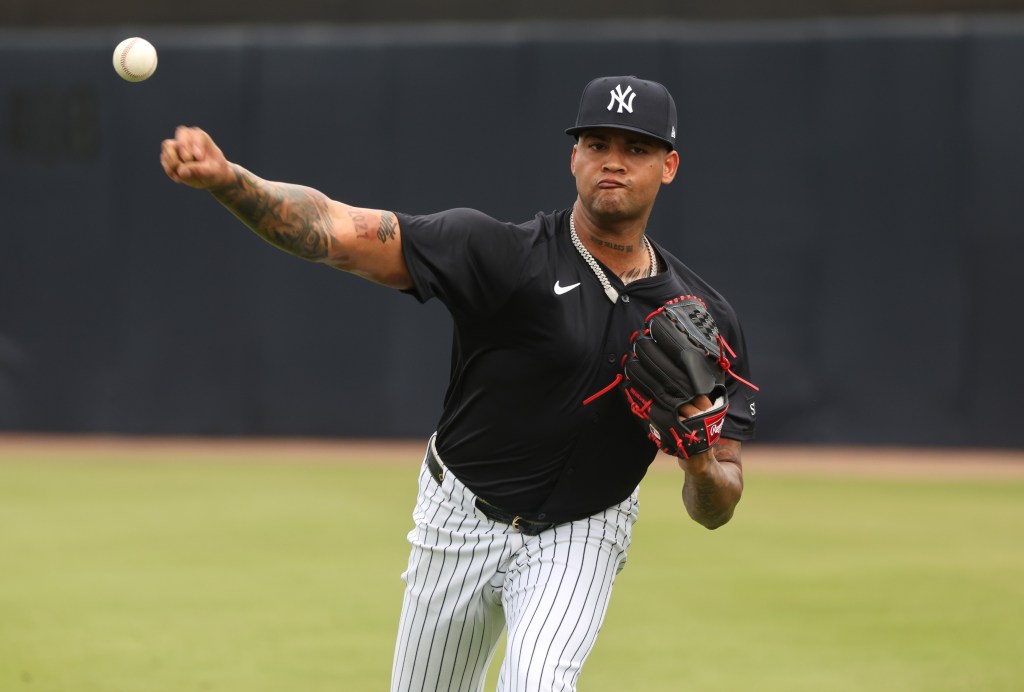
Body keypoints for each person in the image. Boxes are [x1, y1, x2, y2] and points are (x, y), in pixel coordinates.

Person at [160, 74, 756, 692]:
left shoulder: (705, 320)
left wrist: (699, 460)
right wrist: (230, 181)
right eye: (598, 143)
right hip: (459, 516)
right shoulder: (500, 254)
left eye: (636, 149)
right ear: (574, 156)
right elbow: (336, 231)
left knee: (539, 684)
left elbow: (716, 506)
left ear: (670, 165)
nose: (613, 162)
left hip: (585, 529)